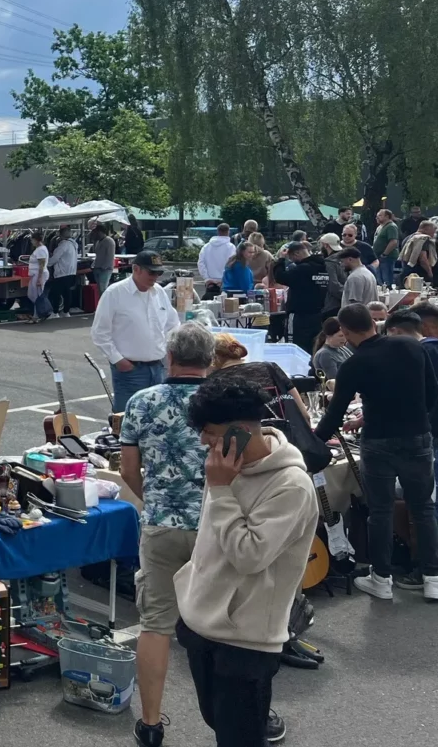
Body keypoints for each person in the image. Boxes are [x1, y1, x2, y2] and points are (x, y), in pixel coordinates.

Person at [174, 377, 315, 747]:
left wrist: (221, 490)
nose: (203, 441)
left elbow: (250, 556)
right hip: (201, 619)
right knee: (215, 720)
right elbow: (211, 537)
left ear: (238, 430)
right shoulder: (225, 462)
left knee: (239, 737)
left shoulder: (290, 485)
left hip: (245, 639)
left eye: (209, 432)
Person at [120, 324, 214, 747]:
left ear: (168, 357)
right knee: (225, 625)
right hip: (216, 524)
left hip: (161, 524)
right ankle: (236, 713)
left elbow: (127, 471)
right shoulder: (221, 401)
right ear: (209, 361)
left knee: (155, 624)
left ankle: (152, 724)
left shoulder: (142, 401)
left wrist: (156, 500)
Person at [315, 302, 438, 600]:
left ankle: (381, 578)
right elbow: (432, 391)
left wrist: (312, 441)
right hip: (417, 437)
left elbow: (334, 414)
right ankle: (433, 576)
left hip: (378, 441)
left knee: (380, 511)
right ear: (373, 321)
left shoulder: (354, 364)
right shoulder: (412, 347)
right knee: (423, 508)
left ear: (344, 331)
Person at [91, 251, 178, 414]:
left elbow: (172, 325)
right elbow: (100, 333)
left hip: (158, 367)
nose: (156, 277)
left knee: (157, 417)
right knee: (126, 419)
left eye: (159, 272)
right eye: (151, 272)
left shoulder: (159, 292)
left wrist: (170, 356)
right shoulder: (114, 293)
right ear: (136, 269)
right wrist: (118, 360)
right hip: (131, 369)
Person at [271, 241, 328, 352]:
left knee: (295, 347)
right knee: (313, 347)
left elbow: (281, 277)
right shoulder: (323, 268)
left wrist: (281, 260)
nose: (292, 261)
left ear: (296, 254)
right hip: (317, 314)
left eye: (291, 258)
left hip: (299, 314)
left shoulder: (303, 269)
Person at [196, 224, 234, 298]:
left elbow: (201, 263)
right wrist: (225, 279)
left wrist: (206, 278)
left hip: (210, 283)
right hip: (224, 283)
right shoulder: (231, 247)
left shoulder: (206, 246)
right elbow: (232, 264)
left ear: (217, 231)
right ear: (228, 232)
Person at [47, 226, 79, 315]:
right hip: (71, 272)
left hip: (62, 272)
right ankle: (66, 311)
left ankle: (55, 312)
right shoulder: (74, 244)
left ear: (60, 235)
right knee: (67, 293)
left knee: (55, 293)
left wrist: (47, 263)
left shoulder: (63, 245)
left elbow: (55, 258)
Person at [398, 218, 437, 284]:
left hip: (406, 274)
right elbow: (423, 259)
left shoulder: (407, 239)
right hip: (419, 275)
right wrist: (430, 273)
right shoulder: (423, 239)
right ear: (426, 229)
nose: (433, 234)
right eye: (433, 231)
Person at [26, 230, 52, 322]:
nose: (31, 242)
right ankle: (38, 314)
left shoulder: (41, 250)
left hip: (38, 274)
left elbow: (41, 264)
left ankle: (39, 314)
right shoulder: (39, 249)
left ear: (36, 240)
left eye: (32, 240)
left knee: (37, 295)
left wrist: (39, 278)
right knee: (34, 295)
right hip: (36, 274)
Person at [317, 233, 345, 317]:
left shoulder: (329, 263)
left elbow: (333, 286)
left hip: (332, 306)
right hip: (344, 304)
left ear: (326, 245)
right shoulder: (345, 259)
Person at [374, 207, 400, 285]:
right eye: (377, 215)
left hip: (387, 257)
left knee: (386, 279)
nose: (377, 217)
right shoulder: (380, 227)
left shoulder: (391, 226)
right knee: (379, 278)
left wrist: (384, 254)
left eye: (380, 215)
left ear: (387, 216)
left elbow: (393, 242)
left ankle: (388, 293)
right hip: (378, 257)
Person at [90, 225, 117, 295]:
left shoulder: (109, 241)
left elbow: (110, 256)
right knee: (100, 289)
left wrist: (104, 267)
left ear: (101, 232)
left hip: (105, 269)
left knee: (103, 289)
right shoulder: (98, 242)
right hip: (97, 268)